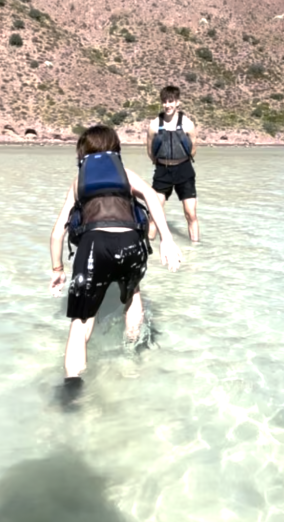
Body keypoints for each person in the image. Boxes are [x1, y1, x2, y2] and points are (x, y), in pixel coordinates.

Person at [49, 125, 183, 407]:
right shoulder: (126, 175)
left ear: (82, 152)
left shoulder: (79, 182)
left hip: (93, 247)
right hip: (130, 244)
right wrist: (167, 239)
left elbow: (57, 233)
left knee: (82, 320)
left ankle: (72, 385)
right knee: (132, 294)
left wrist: (58, 270)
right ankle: (133, 358)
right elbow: (152, 199)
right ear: (115, 148)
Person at [146, 85, 200, 242]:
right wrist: (162, 163)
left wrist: (179, 161)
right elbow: (150, 151)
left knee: (191, 214)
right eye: (164, 101)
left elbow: (193, 149)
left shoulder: (188, 124)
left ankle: (195, 248)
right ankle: (149, 251)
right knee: (153, 214)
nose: (167, 105)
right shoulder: (154, 125)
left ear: (178, 102)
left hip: (184, 170)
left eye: (171, 101)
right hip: (162, 171)